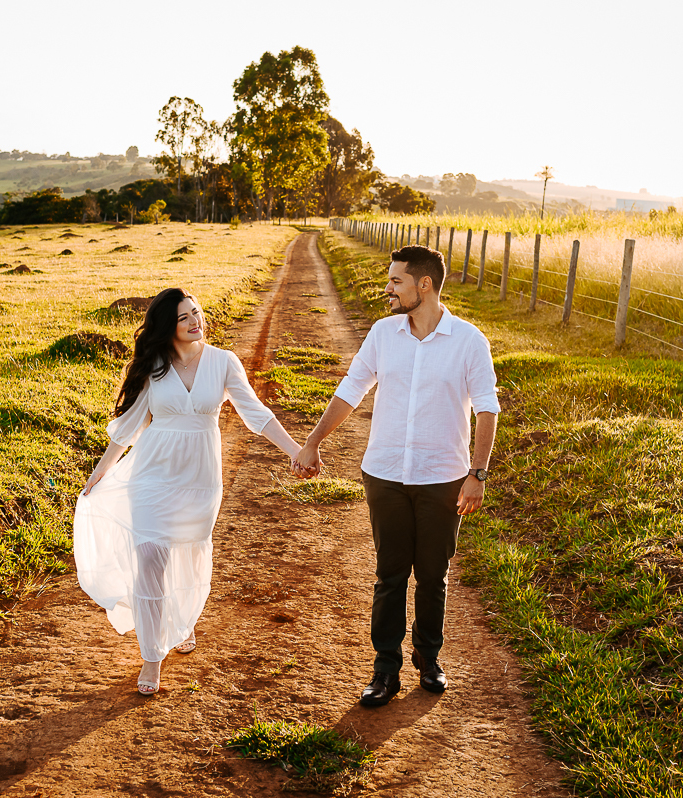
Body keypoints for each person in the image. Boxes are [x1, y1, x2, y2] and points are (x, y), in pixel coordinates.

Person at [292, 245, 499, 707]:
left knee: (432, 575)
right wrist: (313, 441)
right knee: (390, 575)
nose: (388, 288)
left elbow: (487, 409)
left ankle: (429, 657)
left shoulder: (469, 341)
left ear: (424, 285)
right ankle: (385, 669)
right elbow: (351, 390)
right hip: (384, 473)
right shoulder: (383, 334)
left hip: (443, 478)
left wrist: (477, 474)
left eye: (396, 281)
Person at [75, 287, 301, 695]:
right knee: (150, 557)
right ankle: (151, 656)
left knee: (188, 553)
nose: (196, 321)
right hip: (151, 474)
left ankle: (182, 619)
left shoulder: (223, 362)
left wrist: (296, 451)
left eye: (196, 312)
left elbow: (256, 415)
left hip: (199, 480)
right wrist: (100, 471)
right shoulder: (154, 365)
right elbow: (128, 427)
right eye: (184, 317)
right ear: (168, 326)